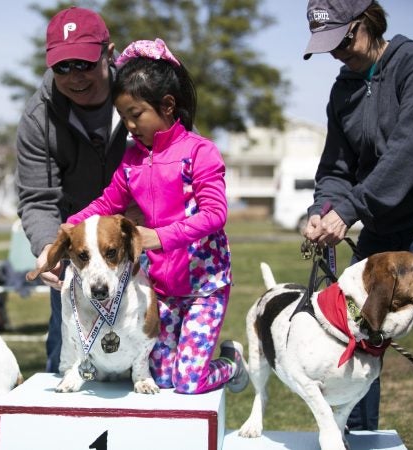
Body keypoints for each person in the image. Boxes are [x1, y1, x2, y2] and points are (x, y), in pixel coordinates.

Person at [66, 39, 248, 395]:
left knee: (187, 382)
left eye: (136, 115)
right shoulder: (133, 160)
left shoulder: (200, 152)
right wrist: (72, 224)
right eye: (125, 118)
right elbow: (107, 203)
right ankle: (192, 363)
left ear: (167, 106)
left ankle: (231, 362)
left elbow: (215, 215)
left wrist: (158, 237)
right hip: (162, 289)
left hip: (204, 288)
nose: (130, 126)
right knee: (161, 378)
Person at [302, 0, 413, 446]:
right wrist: (324, 209)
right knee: (352, 339)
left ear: (367, 23)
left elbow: (408, 154)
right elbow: (336, 169)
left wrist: (351, 209)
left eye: (343, 39)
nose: (337, 52)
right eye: (327, 45)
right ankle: (356, 441)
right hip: (380, 232)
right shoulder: (342, 90)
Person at [15, 7, 131, 373]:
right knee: (68, 356)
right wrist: (49, 247)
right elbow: (37, 197)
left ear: (108, 54)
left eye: (83, 63)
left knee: (149, 353)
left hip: (143, 246)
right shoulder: (37, 118)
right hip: (77, 256)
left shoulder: (142, 95)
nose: (74, 76)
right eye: (62, 67)